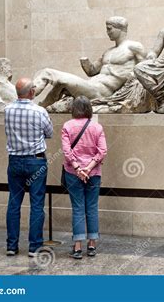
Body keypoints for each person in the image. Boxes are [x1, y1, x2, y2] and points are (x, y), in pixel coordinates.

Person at [4, 77, 53, 257]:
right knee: (37, 204)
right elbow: (49, 133)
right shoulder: (39, 111)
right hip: (36, 161)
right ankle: (34, 247)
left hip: (15, 160)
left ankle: (11, 245)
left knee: (14, 203)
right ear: (32, 92)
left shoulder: (7, 110)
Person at [61, 96, 107, 259]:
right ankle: (92, 244)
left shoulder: (67, 126)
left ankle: (78, 246)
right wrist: (88, 168)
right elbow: (102, 151)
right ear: (89, 109)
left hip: (73, 173)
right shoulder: (97, 127)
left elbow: (67, 151)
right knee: (92, 207)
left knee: (78, 208)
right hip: (93, 173)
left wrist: (78, 168)